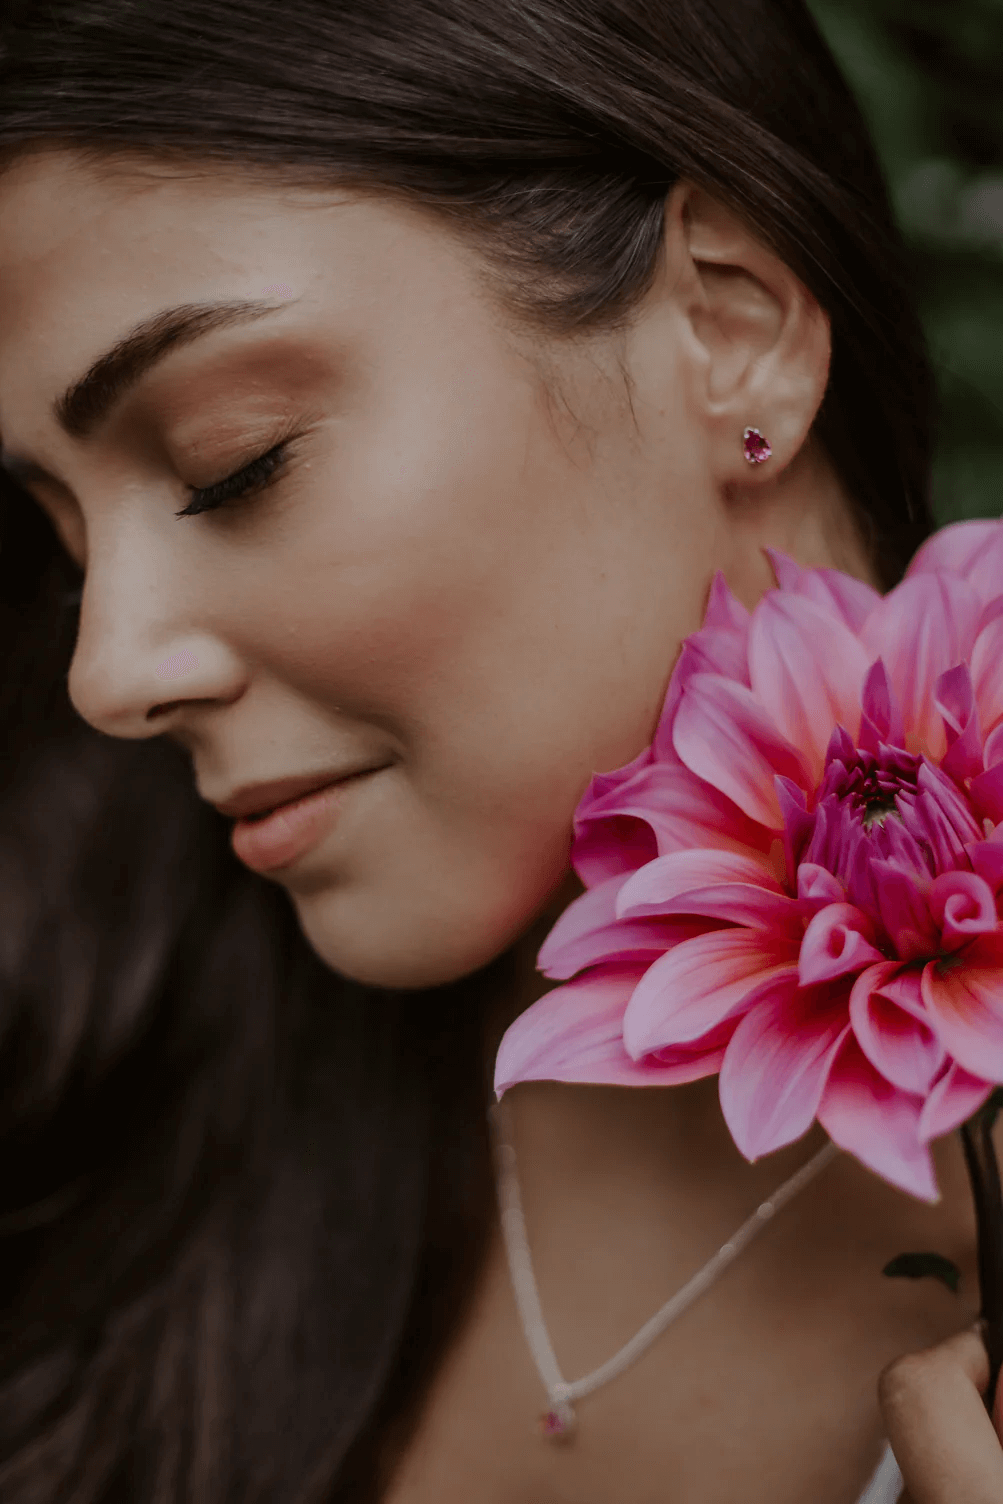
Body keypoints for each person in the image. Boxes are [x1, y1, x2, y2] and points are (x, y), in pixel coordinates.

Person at [0, 0, 1000, 1499]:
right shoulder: (84, 1029)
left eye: (232, 463)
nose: (110, 674)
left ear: (726, 325)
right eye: (64, 542)